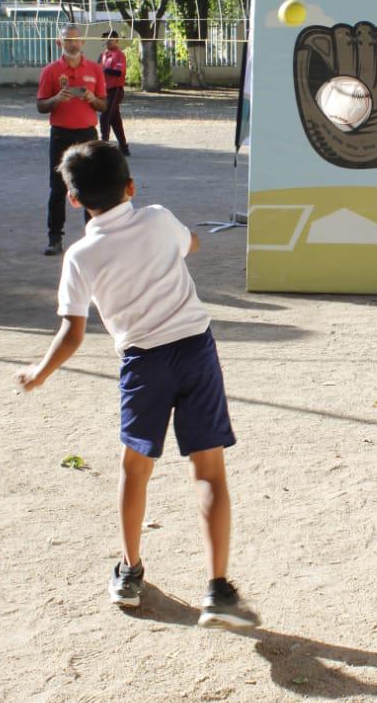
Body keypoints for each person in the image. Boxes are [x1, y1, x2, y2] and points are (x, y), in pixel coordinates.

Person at [14, 140, 258, 630]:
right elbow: (192, 243)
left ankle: (129, 571)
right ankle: (218, 588)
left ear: (75, 201)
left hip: (143, 364)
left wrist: (39, 373)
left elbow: (72, 333)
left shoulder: (80, 257)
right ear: (131, 187)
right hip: (195, 348)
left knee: (135, 468)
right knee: (209, 470)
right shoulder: (157, 218)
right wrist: (174, 243)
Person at [36, 24, 106, 256]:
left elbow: (104, 105)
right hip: (61, 134)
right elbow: (40, 106)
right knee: (57, 188)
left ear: (83, 43)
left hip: (87, 135)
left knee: (90, 187)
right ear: (60, 43)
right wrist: (56, 99)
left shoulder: (95, 70)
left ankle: (94, 237)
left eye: (76, 40)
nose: (72, 44)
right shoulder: (51, 71)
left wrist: (91, 98)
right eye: (67, 40)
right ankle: (54, 238)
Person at [99, 31, 130, 156]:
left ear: (116, 40)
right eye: (105, 39)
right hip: (105, 90)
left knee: (105, 116)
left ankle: (103, 146)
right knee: (115, 119)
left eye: (110, 39)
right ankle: (123, 147)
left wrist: (103, 69)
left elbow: (118, 72)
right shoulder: (104, 55)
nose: (107, 41)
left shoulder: (119, 55)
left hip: (116, 89)